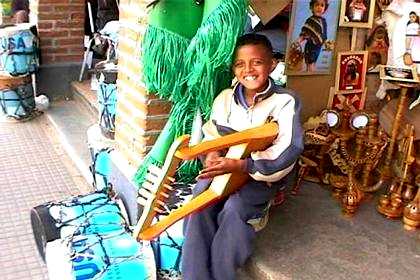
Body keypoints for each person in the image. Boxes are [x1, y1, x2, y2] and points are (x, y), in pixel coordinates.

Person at [181, 33, 304, 280]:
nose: (248, 69)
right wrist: (212, 153)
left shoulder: (285, 101)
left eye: (257, 62)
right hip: (224, 171)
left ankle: (221, 274)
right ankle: (194, 275)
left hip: (260, 176)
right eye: (240, 64)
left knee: (234, 210)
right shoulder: (225, 99)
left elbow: (289, 150)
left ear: (272, 65)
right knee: (199, 201)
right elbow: (212, 134)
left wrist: (242, 165)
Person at [296, 0, 329, 72]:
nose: (319, 7)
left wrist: (326, 43)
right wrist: (298, 41)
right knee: (310, 63)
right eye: (317, 5)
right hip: (310, 47)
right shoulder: (310, 20)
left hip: (318, 47)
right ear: (312, 7)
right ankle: (309, 76)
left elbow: (324, 34)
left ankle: (310, 76)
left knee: (313, 63)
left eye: (322, 5)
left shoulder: (323, 21)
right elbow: (304, 33)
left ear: (325, 8)